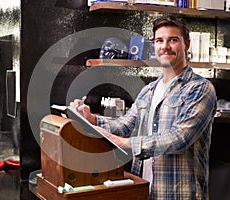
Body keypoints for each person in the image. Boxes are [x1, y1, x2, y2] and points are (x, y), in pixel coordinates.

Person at [71, 16, 217, 200]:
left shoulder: (200, 88)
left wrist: (125, 143)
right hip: (144, 190)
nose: (165, 46)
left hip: (179, 194)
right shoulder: (149, 90)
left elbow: (179, 138)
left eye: (173, 40)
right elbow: (125, 125)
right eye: (159, 40)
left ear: (186, 45)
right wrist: (93, 119)